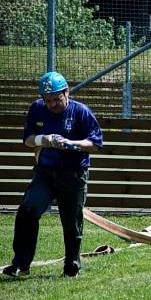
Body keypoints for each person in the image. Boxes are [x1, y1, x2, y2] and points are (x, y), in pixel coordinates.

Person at [2, 72, 103, 278]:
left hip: (73, 173)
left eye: (57, 99)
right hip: (45, 172)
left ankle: (72, 264)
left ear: (67, 92)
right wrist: (44, 139)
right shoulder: (37, 109)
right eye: (48, 100)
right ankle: (21, 264)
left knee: (71, 221)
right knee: (27, 211)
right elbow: (28, 140)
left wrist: (71, 144)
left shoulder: (81, 112)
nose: (52, 104)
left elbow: (96, 144)